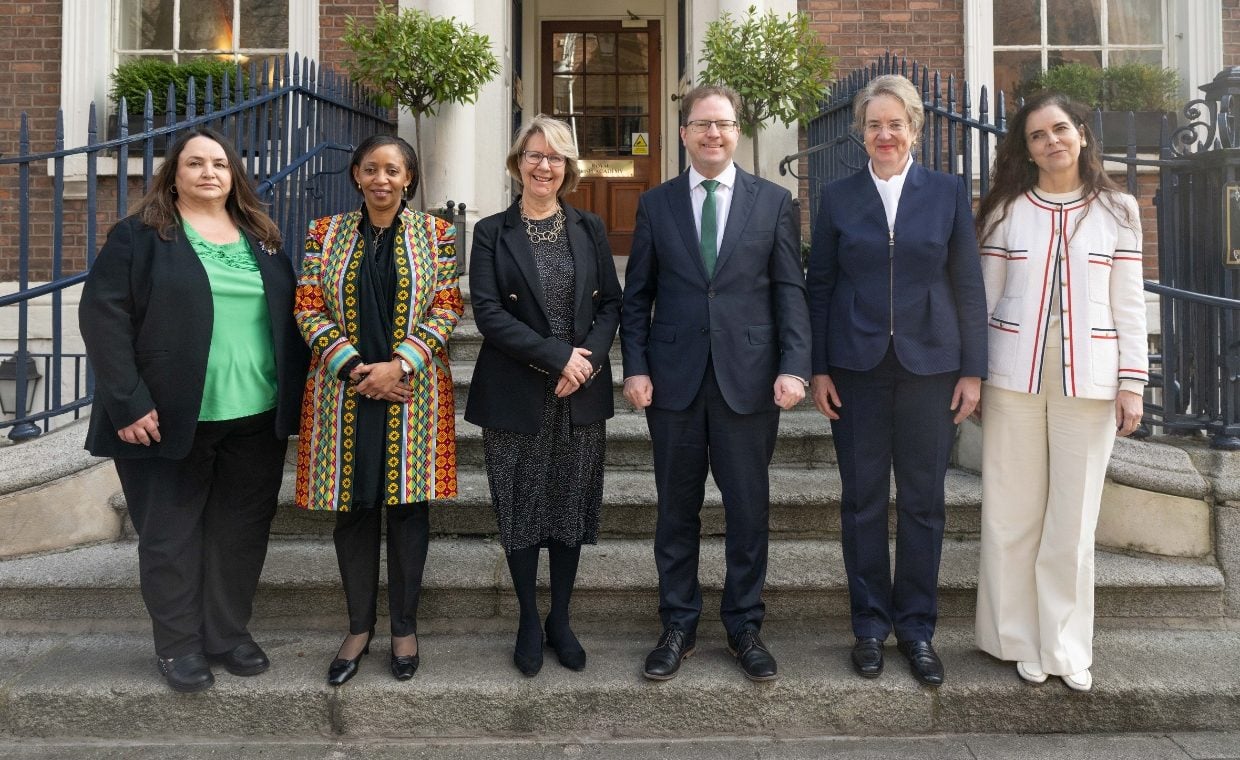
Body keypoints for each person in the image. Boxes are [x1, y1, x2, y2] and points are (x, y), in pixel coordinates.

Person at [79, 126, 308, 693]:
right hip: (164, 418)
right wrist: (128, 403)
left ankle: (227, 635)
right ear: (173, 176)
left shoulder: (264, 238)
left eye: (220, 164)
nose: (210, 173)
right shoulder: (139, 236)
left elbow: (289, 320)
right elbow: (103, 322)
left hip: (256, 416)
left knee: (240, 532)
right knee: (170, 536)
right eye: (195, 164)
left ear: (234, 176)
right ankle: (178, 645)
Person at [621, 84, 811, 683]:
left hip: (750, 382)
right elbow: (638, 297)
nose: (713, 134)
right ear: (684, 133)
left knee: (748, 510)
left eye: (723, 124)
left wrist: (795, 364)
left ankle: (745, 624)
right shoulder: (656, 204)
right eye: (702, 124)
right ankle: (678, 622)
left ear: (738, 131)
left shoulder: (775, 201)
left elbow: (789, 291)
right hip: (673, 383)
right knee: (676, 512)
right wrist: (635, 366)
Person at [806, 74, 987, 688]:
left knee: (923, 503)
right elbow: (821, 286)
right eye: (874, 125)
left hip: (931, 368)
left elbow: (967, 283)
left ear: (915, 129)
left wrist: (974, 370)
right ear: (861, 133)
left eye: (896, 124)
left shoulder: (947, 192)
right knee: (860, 503)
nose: (886, 134)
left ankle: (916, 629)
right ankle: (869, 627)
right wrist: (819, 367)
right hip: (855, 371)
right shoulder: (836, 197)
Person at [973, 92, 1147, 693]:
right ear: (1026, 149)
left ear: (1081, 134)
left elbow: (1127, 303)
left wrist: (1132, 382)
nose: (1052, 142)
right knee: (1012, 512)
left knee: (1073, 519)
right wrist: (970, 372)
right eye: (1038, 135)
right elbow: (983, 298)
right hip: (1012, 375)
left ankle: (1065, 645)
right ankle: (1016, 638)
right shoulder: (1005, 209)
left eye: (1060, 130)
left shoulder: (1120, 210)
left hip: (1091, 379)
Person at [294, 134, 463, 686]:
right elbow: (308, 305)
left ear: (409, 178)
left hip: (410, 393)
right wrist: (355, 369)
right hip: (344, 393)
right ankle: (358, 628)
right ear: (357, 176)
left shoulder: (437, 234)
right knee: (354, 511)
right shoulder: (325, 233)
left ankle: (405, 629)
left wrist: (399, 366)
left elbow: (446, 306)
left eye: (393, 170)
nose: (382, 180)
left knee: (410, 513)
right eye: (371, 170)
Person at [465, 114, 622, 677]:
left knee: (569, 507)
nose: (543, 166)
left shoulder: (590, 228)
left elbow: (610, 306)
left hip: (578, 393)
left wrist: (585, 364)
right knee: (522, 509)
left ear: (568, 168)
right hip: (517, 390)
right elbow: (487, 313)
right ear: (517, 163)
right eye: (533, 155)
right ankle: (529, 618)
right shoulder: (491, 232)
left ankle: (561, 617)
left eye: (555, 157)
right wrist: (557, 357)